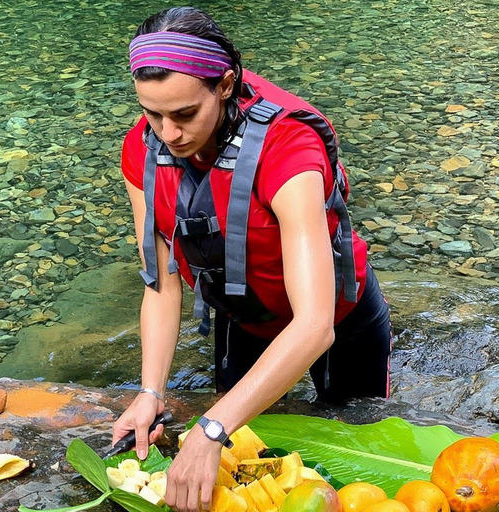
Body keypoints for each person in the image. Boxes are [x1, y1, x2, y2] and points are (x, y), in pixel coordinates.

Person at [111, 7, 393, 512]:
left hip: (340, 322)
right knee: (245, 467)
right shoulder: (143, 148)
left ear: (223, 85)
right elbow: (162, 282)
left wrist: (211, 427)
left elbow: (314, 325)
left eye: (183, 114)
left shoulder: (287, 149)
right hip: (246, 318)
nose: (168, 135)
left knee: (358, 465)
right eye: (152, 113)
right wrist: (150, 392)